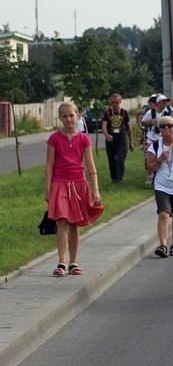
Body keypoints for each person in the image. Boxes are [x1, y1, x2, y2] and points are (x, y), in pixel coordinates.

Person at [45, 101, 104, 277]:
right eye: (64, 116)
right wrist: (47, 189)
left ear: (77, 115)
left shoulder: (84, 139)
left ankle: (73, 262)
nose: (68, 119)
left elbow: (90, 164)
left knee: (74, 224)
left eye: (71, 115)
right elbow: (49, 165)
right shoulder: (54, 138)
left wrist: (95, 189)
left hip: (79, 183)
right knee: (62, 220)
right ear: (60, 118)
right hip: (60, 183)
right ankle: (61, 262)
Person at [146, 115, 173, 258]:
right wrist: (160, 159)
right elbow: (149, 168)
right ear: (159, 129)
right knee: (164, 214)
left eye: (169, 125)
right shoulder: (155, 146)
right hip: (162, 185)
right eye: (163, 126)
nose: (167, 128)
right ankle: (163, 245)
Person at [100, 93, 135, 182]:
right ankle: (114, 178)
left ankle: (119, 178)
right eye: (113, 102)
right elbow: (104, 126)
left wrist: (131, 141)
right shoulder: (107, 112)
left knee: (120, 158)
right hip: (111, 140)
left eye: (116, 102)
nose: (115, 104)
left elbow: (128, 127)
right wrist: (107, 135)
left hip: (121, 140)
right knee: (111, 160)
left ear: (120, 102)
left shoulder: (124, 112)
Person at [141, 93, 172, 185]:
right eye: (163, 103)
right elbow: (142, 122)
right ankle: (150, 176)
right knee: (149, 158)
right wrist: (150, 122)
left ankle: (159, 176)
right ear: (158, 103)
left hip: (162, 139)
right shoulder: (151, 112)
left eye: (165, 103)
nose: (164, 105)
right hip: (151, 138)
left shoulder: (168, 112)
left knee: (161, 158)